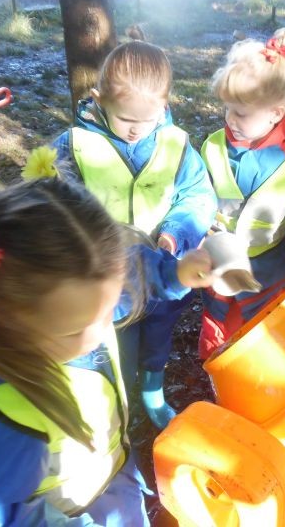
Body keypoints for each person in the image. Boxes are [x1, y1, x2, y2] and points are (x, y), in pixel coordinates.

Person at [0, 178, 214, 526]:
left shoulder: (76, 300)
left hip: (110, 478)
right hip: (76, 511)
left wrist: (175, 272)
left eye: (107, 308)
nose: (101, 330)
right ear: (6, 321)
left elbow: (127, 277)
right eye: (76, 329)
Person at [51, 41, 216, 428]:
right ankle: (119, 394)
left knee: (158, 331)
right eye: (125, 119)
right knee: (113, 338)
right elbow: (53, 204)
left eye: (148, 119)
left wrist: (175, 233)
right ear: (99, 100)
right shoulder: (74, 147)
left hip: (161, 265)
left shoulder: (176, 145)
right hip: (107, 275)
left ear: (164, 104)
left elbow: (197, 196)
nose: (136, 130)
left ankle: (152, 391)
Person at [198, 27, 285, 360]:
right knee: (217, 327)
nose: (230, 119)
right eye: (227, 109)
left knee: (263, 336)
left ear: (275, 113)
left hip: (268, 271)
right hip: (218, 265)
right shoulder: (213, 147)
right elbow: (196, 198)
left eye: (240, 113)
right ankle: (215, 371)